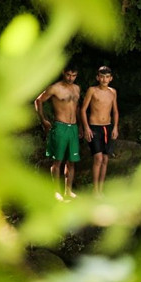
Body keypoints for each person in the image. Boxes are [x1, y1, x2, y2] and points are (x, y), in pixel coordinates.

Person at [34, 66, 82, 201]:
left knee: (71, 161)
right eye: (68, 75)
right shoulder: (55, 88)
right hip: (60, 126)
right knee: (58, 161)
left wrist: (82, 126)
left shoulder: (77, 88)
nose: (70, 78)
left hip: (73, 127)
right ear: (63, 73)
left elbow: (77, 107)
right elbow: (38, 101)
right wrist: (43, 120)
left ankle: (68, 191)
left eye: (73, 75)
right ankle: (56, 191)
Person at [81, 66, 119, 196]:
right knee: (98, 158)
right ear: (98, 77)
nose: (104, 79)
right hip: (94, 126)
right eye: (102, 76)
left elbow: (115, 111)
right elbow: (83, 110)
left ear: (111, 78)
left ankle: (101, 190)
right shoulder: (92, 90)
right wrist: (86, 128)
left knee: (105, 159)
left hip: (107, 127)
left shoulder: (113, 92)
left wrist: (115, 127)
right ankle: (95, 190)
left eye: (107, 77)